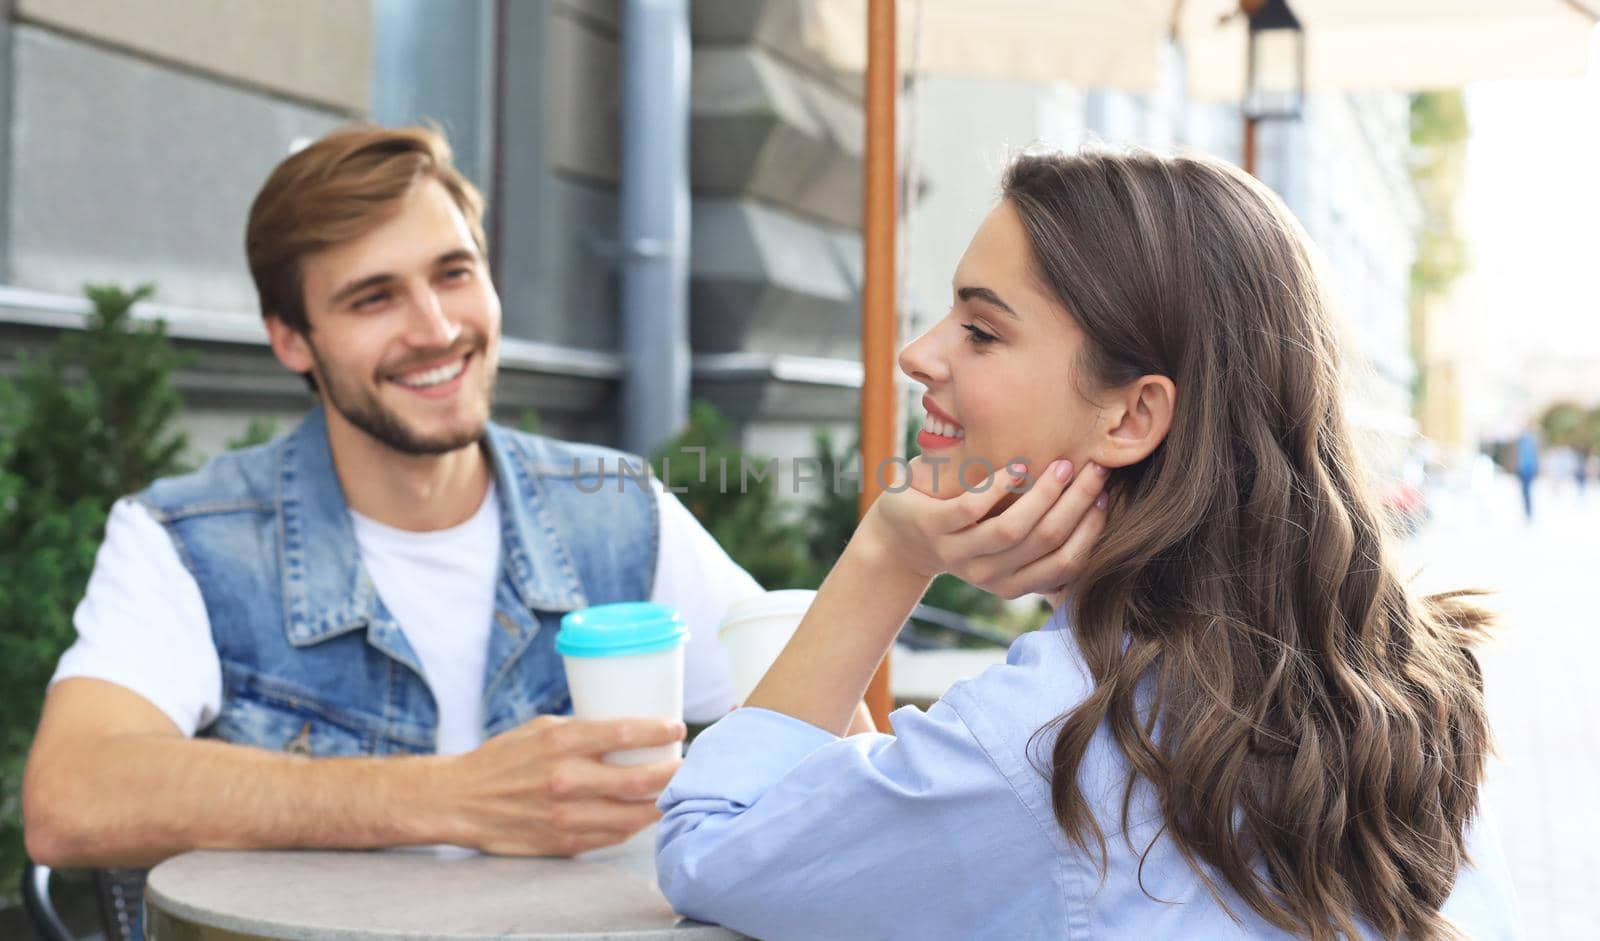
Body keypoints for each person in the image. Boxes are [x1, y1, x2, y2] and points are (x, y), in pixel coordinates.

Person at [656, 151, 1518, 940]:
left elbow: (710, 846)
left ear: (1133, 415)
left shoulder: (1047, 743)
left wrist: (886, 554)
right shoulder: (1409, 688)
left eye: (982, 331)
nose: (919, 355)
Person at [20, 126, 785, 888]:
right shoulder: (188, 540)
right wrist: (456, 797)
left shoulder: (617, 509)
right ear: (291, 340)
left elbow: (819, 727)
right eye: (374, 297)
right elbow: (72, 796)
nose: (437, 329)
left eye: (453, 274)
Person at [1515, 429, 1539, 520]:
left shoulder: (1527, 441)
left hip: (1527, 469)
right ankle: (1528, 511)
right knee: (1526, 491)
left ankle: (1528, 511)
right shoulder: (1526, 441)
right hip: (1525, 468)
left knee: (1526, 491)